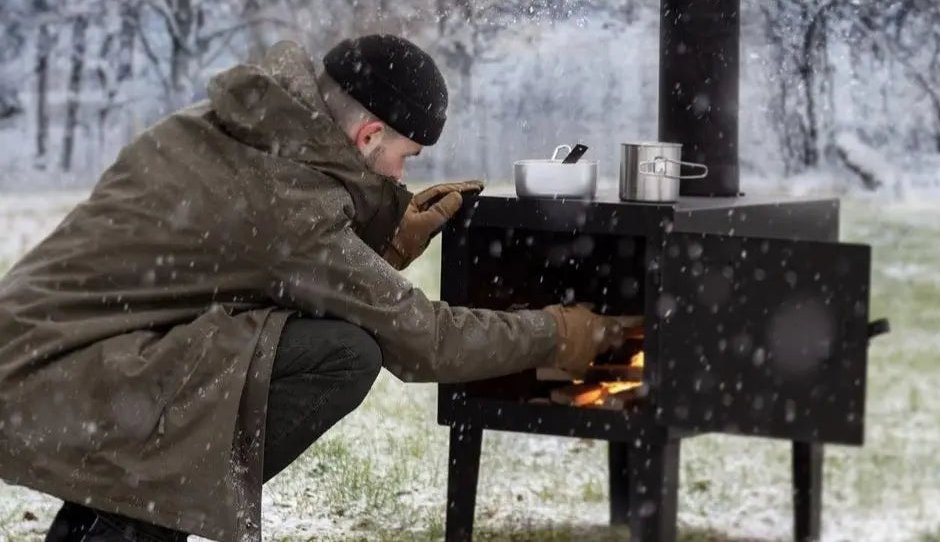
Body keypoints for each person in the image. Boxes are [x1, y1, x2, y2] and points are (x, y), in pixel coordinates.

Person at [0, 35, 624, 542]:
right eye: (405, 157)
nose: (406, 173)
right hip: (55, 373)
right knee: (344, 355)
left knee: (262, 352)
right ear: (368, 136)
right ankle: (134, 523)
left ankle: (115, 519)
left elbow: (254, 258)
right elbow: (428, 342)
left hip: (41, 350)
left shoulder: (239, 130)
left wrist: (387, 239)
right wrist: (562, 332)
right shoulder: (287, 203)